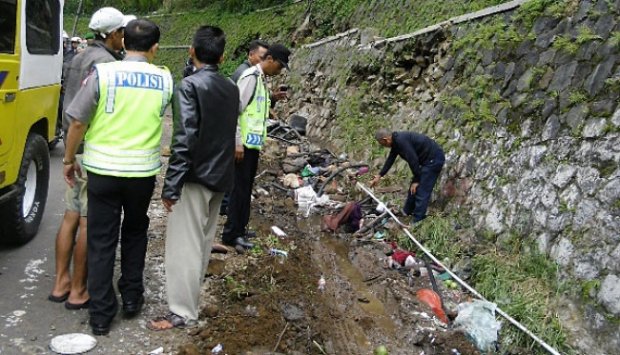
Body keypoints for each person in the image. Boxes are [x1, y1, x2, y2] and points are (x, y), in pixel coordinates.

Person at [63, 18, 173, 336]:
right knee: (136, 233)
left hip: (103, 172)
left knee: (101, 240)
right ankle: (132, 298)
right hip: (141, 174)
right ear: (155, 48)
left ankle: (100, 315)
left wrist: (69, 160)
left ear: (123, 42)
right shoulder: (165, 79)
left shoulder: (104, 73)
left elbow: (78, 123)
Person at [147, 25, 239, 331]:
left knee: (183, 246)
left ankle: (182, 312)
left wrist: (171, 185)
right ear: (222, 56)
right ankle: (190, 304)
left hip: (195, 177)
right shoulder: (231, 87)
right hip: (220, 177)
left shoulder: (187, 86)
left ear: (191, 51)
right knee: (201, 243)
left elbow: (184, 139)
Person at [48, 7, 128, 311]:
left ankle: (60, 283)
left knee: (70, 217)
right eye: (121, 32)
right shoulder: (107, 64)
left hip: (73, 145)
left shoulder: (79, 56)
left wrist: (68, 157)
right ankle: (79, 290)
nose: (123, 37)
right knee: (87, 221)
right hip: (90, 150)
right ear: (112, 34)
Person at [221, 44, 291, 251]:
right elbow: (235, 110)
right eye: (279, 66)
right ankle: (231, 235)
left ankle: (240, 229)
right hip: (242, 145)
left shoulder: (261, 80)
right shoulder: (250, 77)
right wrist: (237, 141)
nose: (279, 71)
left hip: (252, 144)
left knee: (245, 189)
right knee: (238, 190)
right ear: (269, 59)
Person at [369, 129, 445, 223]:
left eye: (383, 144)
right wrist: (379, 175)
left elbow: (413, 159)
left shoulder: (401, 141)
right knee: (413, 189)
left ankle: (417, 220)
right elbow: (391, 159)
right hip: (425, 161)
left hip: (433, 160)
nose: (384, 146)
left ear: (386, 140)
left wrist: (417, 180)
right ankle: (406, 212)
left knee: (421, 190)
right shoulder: (396, 142)